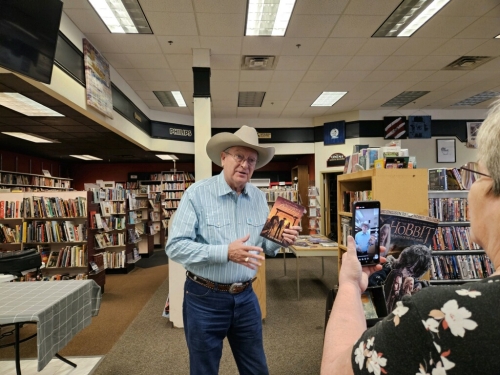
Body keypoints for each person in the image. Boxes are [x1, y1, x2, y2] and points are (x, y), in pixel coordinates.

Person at [321, 97, 500, 375]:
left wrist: (349, 284)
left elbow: (336, 370)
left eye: (477, 173)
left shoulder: (436, 315)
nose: (470, 188)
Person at [166, 125, 301, 375]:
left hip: (247, 297)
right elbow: (175, 247)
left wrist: (282, 239)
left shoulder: (259, 199)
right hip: (204, 298)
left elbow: (266, 248)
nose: (245, 164)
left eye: (251, 160)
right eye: (239, 156)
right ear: (223, 158)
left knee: (257, 368)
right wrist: (225, 252)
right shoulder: (196, 194)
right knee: (204, 370)